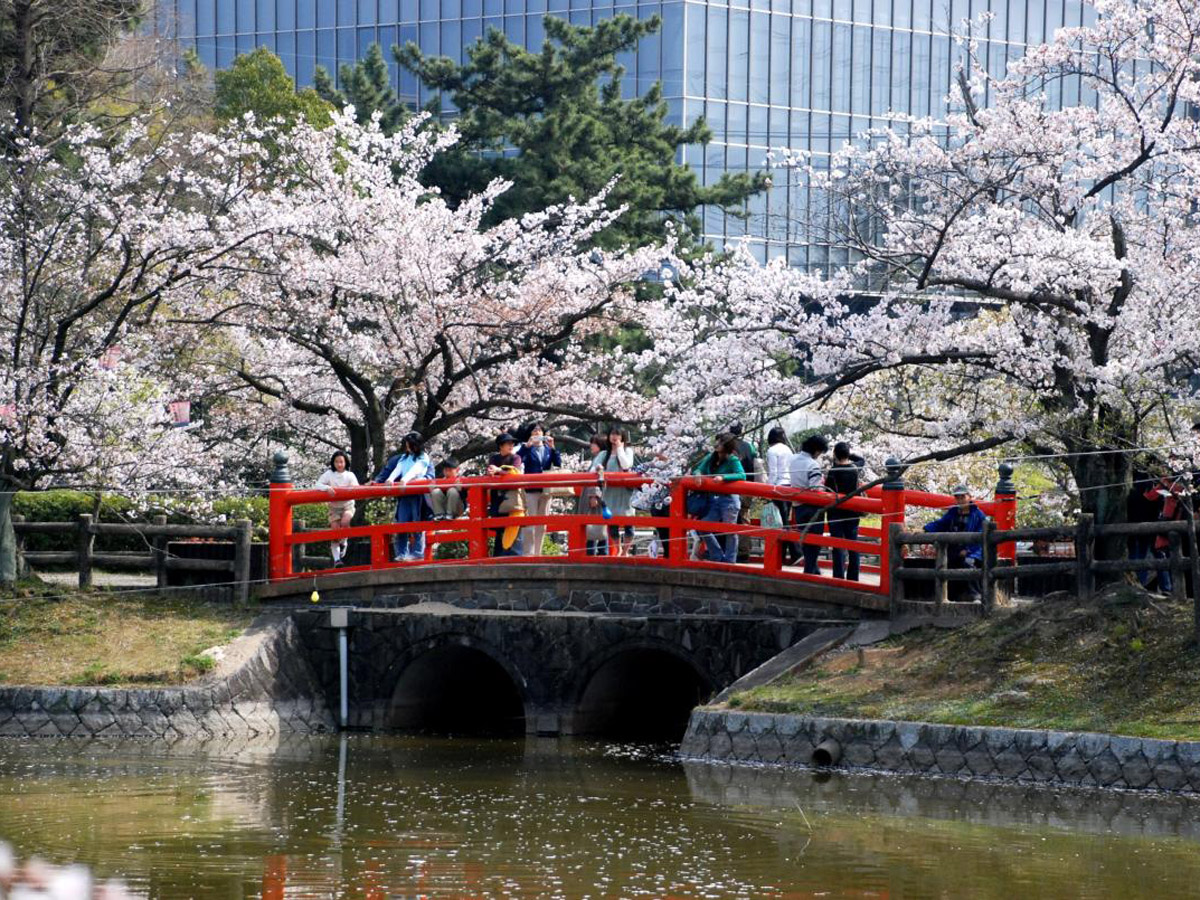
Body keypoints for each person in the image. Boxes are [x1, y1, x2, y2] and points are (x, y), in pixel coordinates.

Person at [373, 432, 433, 561]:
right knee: (402, 521)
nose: (407, 447)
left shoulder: (423, 457)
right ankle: (402, 553)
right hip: (404, 493)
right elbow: (398, 468)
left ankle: (417, 552)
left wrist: (405, 479)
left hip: (417, 492)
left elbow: (416, 469)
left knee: (417, 522)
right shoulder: (404, 457)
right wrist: (390, 479)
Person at [923, 485, 987, 600]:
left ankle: (976, 595)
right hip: (955, 549)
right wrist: (926, 529)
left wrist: (968, 550)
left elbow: (981, 536)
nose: (960, 500)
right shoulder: (952, 513)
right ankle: (948, 596)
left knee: (969, 563)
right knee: (944, 564)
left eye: (963, 497)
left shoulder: (978, 515)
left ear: (969, 497)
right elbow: (941, 524)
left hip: (973, 550)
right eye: (958, 497)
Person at [693, 432, 747, 564]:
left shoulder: (732, 459)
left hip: (730, 499)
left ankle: (730, 560)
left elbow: (742, 475)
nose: (717, 444)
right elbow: (698, 469)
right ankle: (717, 555)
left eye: (720, 442)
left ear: (727, 445)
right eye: (717, 441)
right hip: (716, 499)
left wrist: (724, 478)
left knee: (730, 530)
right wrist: (698, 474)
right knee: (703, 526)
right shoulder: (711, 457)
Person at [517, 421, 562, 556]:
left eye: (539, 430)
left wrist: (553, 448)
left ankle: (538, 552)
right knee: (530, 522)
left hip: (546, 489)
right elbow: (518, 460)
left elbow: (558, 463)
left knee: (542, 523)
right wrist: (527, 446)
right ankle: (528, 553)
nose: (537, 432)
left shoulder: (548, 449)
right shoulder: (527, 448)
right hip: (531, 489)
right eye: (534, 430)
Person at [788, 435, 830, 575]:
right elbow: (815, 488)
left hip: (797, 505)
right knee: (815, 539)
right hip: (813, 507)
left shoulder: (793, 459)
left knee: (805, 538)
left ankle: (813, 568)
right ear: (817, 450)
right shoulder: (813, 465)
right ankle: (809, 570)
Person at [591, 426, 636, 556]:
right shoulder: (604, 454)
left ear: (622, 437)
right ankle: (618, 548)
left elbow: (626, 465)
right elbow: (593, 468)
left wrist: (620, 449)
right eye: (612, 434)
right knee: (612, 522)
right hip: (609, 491)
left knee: (628, 522)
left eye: (617, 434)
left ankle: (626, 551)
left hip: (624, 491)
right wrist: (598, 468)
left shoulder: (627, 451)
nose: (614, 437)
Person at [826, 442, 863, 581]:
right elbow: (861, 460)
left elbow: (828, 489)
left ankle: (838, 576)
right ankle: (853, 577)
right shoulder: (855, 468)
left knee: (838, 545)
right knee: (853, 544)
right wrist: (848, 455)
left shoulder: (833, 471)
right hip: (852, 511)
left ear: (835, 454)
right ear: (848, 453)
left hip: (836, 512)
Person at [316, 450, 359, 567]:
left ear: (345, 463)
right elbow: (318, 484)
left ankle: (344, 542)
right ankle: (337, 560)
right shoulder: (329, 474)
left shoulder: (350, 475)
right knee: (334, 532)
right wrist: (327, 488)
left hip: (347, 505)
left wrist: (350, 490)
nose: (339, 464)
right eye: (336, 462)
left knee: (345, 521)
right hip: (334, 507)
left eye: (341, 462)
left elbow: (356, 488)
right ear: (333, 463)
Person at [1148, 473, 1188, 594]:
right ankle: (1171, 587)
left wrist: (1162, 482)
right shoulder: (1184, 487)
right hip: (1181, 524)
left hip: (1169, 523)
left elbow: (1150, 496)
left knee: (1161, 552)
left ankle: (1167, 587)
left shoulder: (1172, 486)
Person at [487, 432, 525, 556]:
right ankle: (499, 555)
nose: (511, 446)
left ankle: (514, 554)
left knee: (513, 526)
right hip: (497, 496)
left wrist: (499, 470)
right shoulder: (494, 458)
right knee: (499, 528)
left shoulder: (516, 458)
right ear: (501, 446)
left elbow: (515, 473)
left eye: (512, 443)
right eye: (508, 443)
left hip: (511, 497)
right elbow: (490, 471)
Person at [765, 427, 796, 564]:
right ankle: (783, 555)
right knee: (784, 521)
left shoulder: (772, 450)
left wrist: (768, 490)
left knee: (780, 523)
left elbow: (773, 472)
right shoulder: (788, 450)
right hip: (790, 486)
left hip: (778, 487)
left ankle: (794, 551)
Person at [728, 423, 759, 562]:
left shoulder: (727, 446)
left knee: (729, 518)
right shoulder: (749, 446)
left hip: (731, 487)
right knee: (744, 517)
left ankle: (730, 550)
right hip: (747, 487)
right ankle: (744, 551)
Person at [1127, 470, 1160, 586]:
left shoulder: (1131, 495)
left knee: (1135, 553)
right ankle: (1141, 580)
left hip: (1132, 527)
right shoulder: (1151, 497)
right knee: (1142, 553)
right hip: (1147, 527)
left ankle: (1135, 580)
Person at [581, 487, 609, 556]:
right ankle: (599, 553)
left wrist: (594, 496)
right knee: (595, 526)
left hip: (595, 492)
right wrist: (593, 496)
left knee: (597, 524)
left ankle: (596, 553)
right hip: (595, 491)